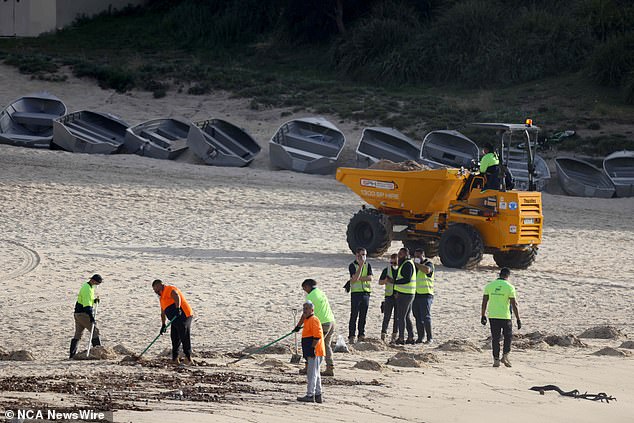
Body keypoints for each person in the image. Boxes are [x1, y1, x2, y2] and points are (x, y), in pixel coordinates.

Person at [481, 268, 522, 368]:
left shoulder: (489, 286)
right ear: (508, 276)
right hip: (505, 316)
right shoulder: (510, 287)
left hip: (493, 316)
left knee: (495, 338)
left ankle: (496, 359)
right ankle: (505, 356)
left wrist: (483, 315)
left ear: (499, 274)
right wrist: (518, 319)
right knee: (508, 337)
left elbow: (484, 302)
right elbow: (514, 304)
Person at [296, 279, 336, 377]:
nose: (305, 291)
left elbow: (306, 313)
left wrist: (298, 326)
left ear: (308, 287)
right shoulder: (321, 293)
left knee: (312, 344)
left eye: (304, 288)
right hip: (331, 321)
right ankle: (329, 368)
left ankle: (309, 367)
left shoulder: (311, 296)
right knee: (326, 345)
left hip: (321, 323)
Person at [152, 279, 194, 365]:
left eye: (155, 288)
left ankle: (188, 358)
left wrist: (178, 308)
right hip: (174, 319)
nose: (154, 291)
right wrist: (163, 324)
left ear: (159, 285)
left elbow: (176, 296)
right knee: (174, 337)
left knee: (184, 334)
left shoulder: (169, 289)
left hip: (183, 314)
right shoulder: (161, 298)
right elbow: (163, 313)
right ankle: (175, 359)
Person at [296, 300, 325, 403]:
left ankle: (310, 395)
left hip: (315, 351)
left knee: (311, 374)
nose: (305, 310)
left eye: (307, 308)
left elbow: (317, 336)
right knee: (315, 373)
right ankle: (318, 395)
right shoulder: (307, 319)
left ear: (312, 310)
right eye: (304, 308)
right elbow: (303, 318)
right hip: (310, 350)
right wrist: (297, 327)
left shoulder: (314, 320)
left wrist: (313, 349)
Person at [69, 274, 103, 359]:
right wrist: (91, 317)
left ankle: (72, 355)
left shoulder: (88, 287)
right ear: (93, 280)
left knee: (78, 335)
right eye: (97, 283)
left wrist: (94, 301)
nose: (97, 285)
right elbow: (87, 307)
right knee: (94, 331)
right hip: (83, 314)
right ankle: (98, 352)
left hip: (78, 314)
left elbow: (87, 300)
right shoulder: (87, 289)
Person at [387, 248, 416, 345]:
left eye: (401, 254)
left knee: (401, 317)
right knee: (406, 316)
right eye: (399, 254)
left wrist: (394, 282)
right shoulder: (405, 263)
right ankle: (411, 337)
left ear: (406, 255)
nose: (399, 256)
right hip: (407, 292)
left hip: (405, 294)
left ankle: (401, 338)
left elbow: (406, 279)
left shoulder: (407, 264)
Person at [347, 247, 373, 344]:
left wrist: (359, 278)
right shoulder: (352, 265)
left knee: (363, 315)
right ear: (356, 255)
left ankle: (361, 334)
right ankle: (351, 336)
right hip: (356, 293)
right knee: (354, 315)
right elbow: (354, 279)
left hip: (366, 292)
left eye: (364, 255)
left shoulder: (368, 265)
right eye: (361, 254)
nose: (363, 257)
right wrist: (361, 266)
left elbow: (370, 278)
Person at [413, 248, 435, 344]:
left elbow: (427, 270)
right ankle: (420, 337)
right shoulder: (414, 266)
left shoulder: (429, 264)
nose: (417, 258)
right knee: (417, 316)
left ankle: (429, 338)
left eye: (418, 256)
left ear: (423, 256)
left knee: (426, 316)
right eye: (415, 256)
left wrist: (417, 264)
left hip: (426, 294)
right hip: (415, 294)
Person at [378, 253, 398, 342]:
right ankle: (383, 334)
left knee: (397, 317)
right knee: (387, 316)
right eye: (391, 263)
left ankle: (394, 336)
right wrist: (386, 280)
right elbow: (380, 282)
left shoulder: (401, 269)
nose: (393, 265)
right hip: (389, 296)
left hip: (398, 297)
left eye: (395, 263)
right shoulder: (387, 270)